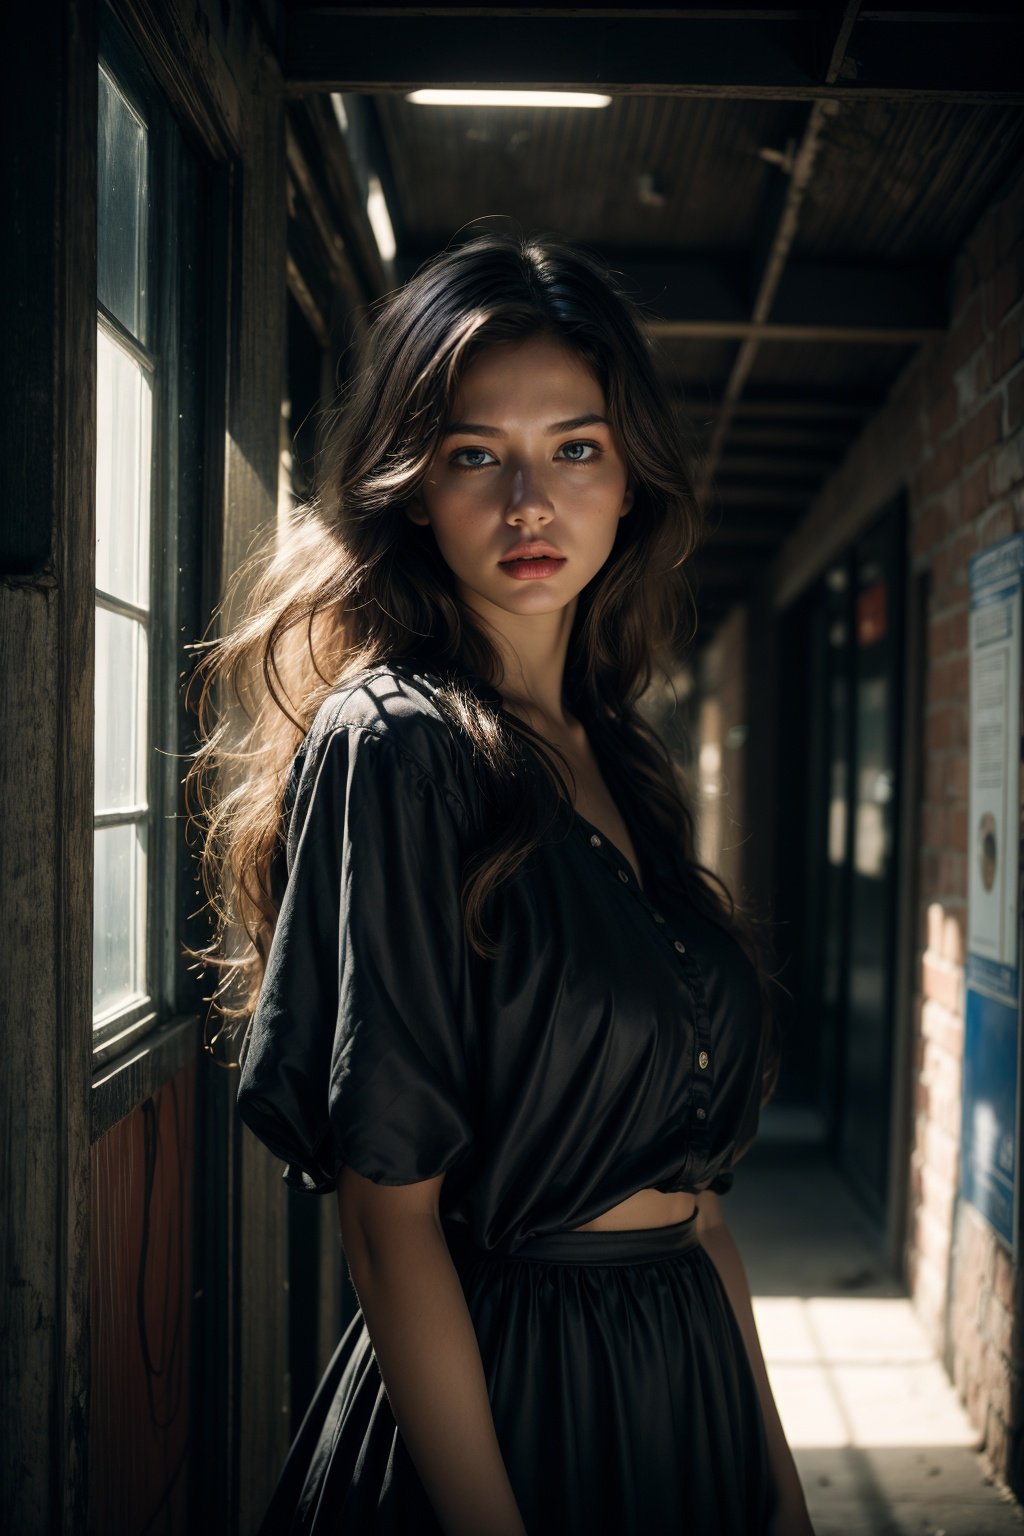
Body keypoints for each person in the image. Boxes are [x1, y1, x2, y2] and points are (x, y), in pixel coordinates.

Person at [188, 227, 815, 1536]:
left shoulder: (621, 757)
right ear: (415, 490)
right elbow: (387, 1220)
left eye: (574, 449)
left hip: (684, 1376)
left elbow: (698, 1213)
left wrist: (779, 1485)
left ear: (630, 479)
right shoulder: (401, 748)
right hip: (517, 1397)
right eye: (477, 456)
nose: (531, 504)